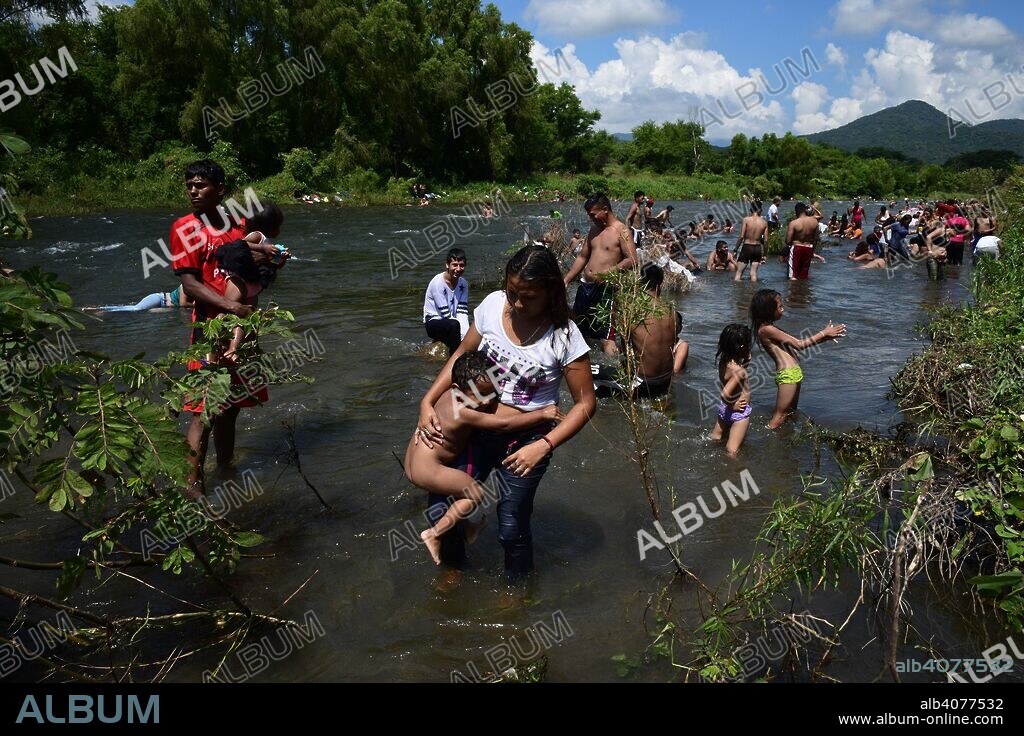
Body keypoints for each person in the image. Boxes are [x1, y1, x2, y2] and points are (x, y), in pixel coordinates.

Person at [415, 245, 596, 579]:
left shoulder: (564, 336)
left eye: (528, 297)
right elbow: (461, 355)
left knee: (511, 526)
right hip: (476, 427)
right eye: (512, 292)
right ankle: (451, 577)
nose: (517, 304)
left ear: (551, 292)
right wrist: (427, 403)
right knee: (440, 506)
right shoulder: (493, 305)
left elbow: (586, 404)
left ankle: (516, 597)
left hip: (527, 438)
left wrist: (544, 446)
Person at [405, 351, 563, 565]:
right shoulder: (464, 410)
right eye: (481, 395)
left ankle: (469, 528)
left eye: (492, 393)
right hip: (428, 469)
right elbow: (502, 424)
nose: (488, 401)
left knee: (461, 497)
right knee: (474, 494)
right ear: (457, 390)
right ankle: (434, 534)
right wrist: (542, 414)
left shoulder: (444, 397)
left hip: (414, 461)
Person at [170, 160, 255, 496]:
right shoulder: (184, 229)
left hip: (239, 327)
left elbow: (251, 270)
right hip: (208, 328)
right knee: (203, 408)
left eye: (201, 185)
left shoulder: (238, 225)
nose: (193, 191)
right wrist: (231, 305)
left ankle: (224, 468)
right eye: (190, 185)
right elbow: (189, 285)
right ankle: (192, 484)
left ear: (220, 190)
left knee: (231, 406)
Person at [750, 289, 846, 429]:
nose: (783, 309)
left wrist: (825, 338)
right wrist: (823, 332)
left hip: (794, 374)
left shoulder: (772, 328)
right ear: (768, 310)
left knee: (790, 413)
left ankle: (785, 441)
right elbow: (799, 344)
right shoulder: (766, 330)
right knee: (779, 416)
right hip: (788, 375)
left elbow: (798, 345)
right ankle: (768, 442)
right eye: (780, 306)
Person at [593, 264, 688, 400]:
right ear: (661, 285)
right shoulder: (672, 312)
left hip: (643, 383)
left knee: (587, 371)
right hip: (665, 382)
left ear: (640, 283)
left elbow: (625, 353)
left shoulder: (634, 311)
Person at [211, 204, 289, 364]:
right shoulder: (258, 236)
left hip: (253, 286)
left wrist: (281, 259)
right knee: (226, 312)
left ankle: (233, 349)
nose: (279, 231)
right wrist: (262, 247)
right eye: (277, 226)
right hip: (239, 281)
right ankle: (212, 349)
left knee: (247, 318)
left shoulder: (270, 244)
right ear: (269, 226)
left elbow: (273, 266)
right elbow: (240, 245)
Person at [564, 193, 638, 355]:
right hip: (585, 287)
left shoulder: (622, 230)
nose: (591, 218)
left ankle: (614, 371)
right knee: (577, 328)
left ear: (605, 209)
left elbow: (632, 260)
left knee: (606, 337)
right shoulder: (594, 230)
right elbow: (583, 257)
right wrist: (567, 279)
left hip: (605, 290)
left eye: (593, 214)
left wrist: (607, 273)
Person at [710, 324, 752, 456]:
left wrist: (745, 362)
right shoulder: (739, 371)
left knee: (715, 439)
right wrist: (733, 405)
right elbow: (725, 393)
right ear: (742, 347)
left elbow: (730, 379)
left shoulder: (724, 361)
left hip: (724, 410)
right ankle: (731, 473)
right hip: (738, 413)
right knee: (732, 450)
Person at [423, 249, 470, 356]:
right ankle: (455, 360)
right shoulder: (437, 282)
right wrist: (462, 336)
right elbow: (446, 314)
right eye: (455, 265)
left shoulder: (464, 284)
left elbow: (462, 312)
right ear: (447, 265)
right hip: (433, 322)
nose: (458, 269)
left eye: (461, 265)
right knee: (454, 325)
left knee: (475, 327)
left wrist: (467, 334)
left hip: (452, 322)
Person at [84, 285, 194, 312]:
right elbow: (183, 303)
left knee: (134, 309)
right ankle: (100, 309)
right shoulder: (185, 284)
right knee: (135, 309)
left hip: (162, 305)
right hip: (159, 299)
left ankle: (102, 309)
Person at [785, 202, 822, 281]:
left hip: (796, 248)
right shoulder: (814, 222)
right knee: (804, 275)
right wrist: (812, 250)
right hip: (808, 248)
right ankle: (803, 292)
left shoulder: (793, 223)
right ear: (805, 210)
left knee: (793, 276)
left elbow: (788, 241)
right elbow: (816, 238)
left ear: (796, 211)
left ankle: (793, 292)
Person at [734, 202, 768, 282]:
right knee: (753, 273)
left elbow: (741, 236)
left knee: (738, 274)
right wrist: (765, 254)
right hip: (757, 248)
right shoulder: (764, 223)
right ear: (760, 210)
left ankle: (737, 292)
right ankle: (753, 291)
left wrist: (735, 249)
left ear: (751, 209)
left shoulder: (746, 220)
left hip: (747, 247)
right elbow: (766, 241)